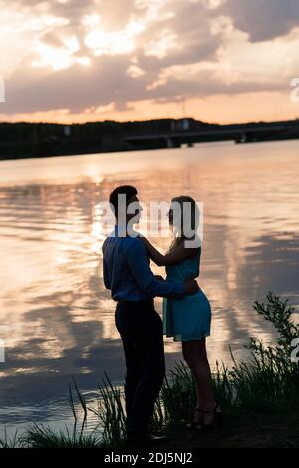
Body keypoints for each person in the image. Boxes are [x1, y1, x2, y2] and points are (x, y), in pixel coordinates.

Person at [102, 186, 199, 445]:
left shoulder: (110, 241)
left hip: (122, 314)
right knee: (153, 372)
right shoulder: (133, 244)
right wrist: (180, 289)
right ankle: (137, 433)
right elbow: (148, 287)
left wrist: (142, 282)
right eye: (135, 204)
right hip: (140, 315)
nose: (141, 208)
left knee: (134, 371)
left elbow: (109, 283)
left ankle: (134, 431)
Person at [141, 195, 222, 430]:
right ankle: (201, 409)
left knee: (195, 358)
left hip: (191, 304)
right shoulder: (180, 239)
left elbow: (160, 260)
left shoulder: (191, 241)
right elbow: (171, 268)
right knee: (194, 358)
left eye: (172, 211)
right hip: (182, 301)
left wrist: (140, 239)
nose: (168, 214)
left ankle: (211, 408)